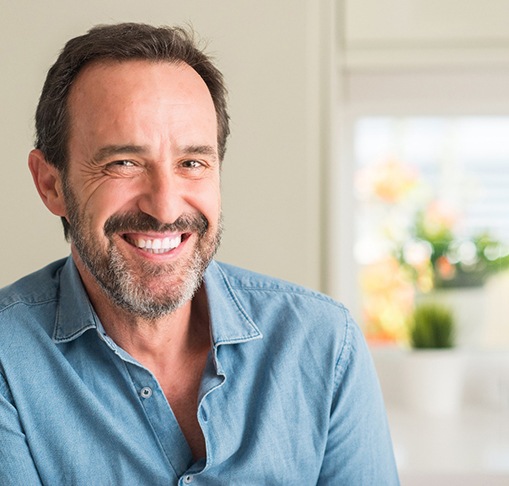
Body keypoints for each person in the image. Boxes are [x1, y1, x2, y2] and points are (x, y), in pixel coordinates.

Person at [0, 23, 399, 485]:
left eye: (192, 163)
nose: (166, 206)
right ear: (51, 185)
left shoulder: (326, 346)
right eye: (123, 163)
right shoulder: (8, 362)